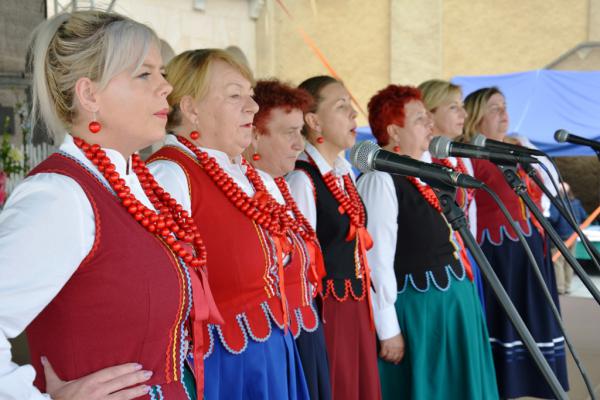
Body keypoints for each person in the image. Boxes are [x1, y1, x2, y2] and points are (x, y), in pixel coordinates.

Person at [0, 10, 219, 399]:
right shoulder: (61, 196)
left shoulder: (137, 181)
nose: (165, 87)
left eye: (162, 73)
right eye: (144, 74)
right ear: (89, 94)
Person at [147, 49, 309, 400]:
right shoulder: (171, 173)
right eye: (235, 95)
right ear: (191, 109)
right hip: (223, 363)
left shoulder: (238, 171)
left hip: (269, 346)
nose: (252, 106)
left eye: (249, 94)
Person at [358, 84, 498, 400]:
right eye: (420, 119)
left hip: (452, 303)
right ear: (394, 131)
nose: (430, 126)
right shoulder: (381, 180)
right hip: (422, 311)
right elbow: (376, 261)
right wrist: (388, 327)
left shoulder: (426, 173)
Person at [462, 87, 569, 398]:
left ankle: (535, 381)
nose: (504, 115)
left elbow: (547, 182)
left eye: (505, 107)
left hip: (529, 247)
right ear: (477, 115)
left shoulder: (518, 146)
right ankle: (508, 383)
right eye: (495, 109)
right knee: (506, 321)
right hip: (498, 252)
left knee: (535, 316)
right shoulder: (468, 153)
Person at [286, 75, 382, 400]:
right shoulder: (303, 178)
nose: (354, 116)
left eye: (352, 107)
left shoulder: (343, 173)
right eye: (342, 107)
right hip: (328, 311)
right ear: (313, 120)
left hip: (356, 305)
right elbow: (301, 266)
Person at [242, 78, 332, 400]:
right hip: (279, 337)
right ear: (254, 135)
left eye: (300, 132)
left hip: (302, 330)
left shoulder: (280, 187)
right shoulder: (248, 192)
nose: (299, 144)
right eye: (288, 133)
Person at [418, 79, 486, 311]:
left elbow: (471, 212)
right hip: (438, 265)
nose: (464, 114)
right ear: (429, 112)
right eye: (453, 107)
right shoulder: (422, 160)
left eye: (462, 106)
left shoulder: (460, 158)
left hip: (466, 255)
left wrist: (473, 251)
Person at [549, 182, 588, 294]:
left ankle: (559, 288)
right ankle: (567, 286)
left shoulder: (557, 203)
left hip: (559, 237)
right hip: (573, 236)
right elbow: (584, 217)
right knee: (570, 262)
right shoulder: (576, 203)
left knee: (558, 262)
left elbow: (553, 218)